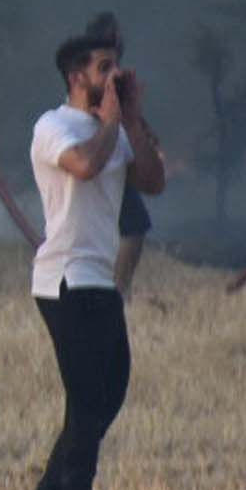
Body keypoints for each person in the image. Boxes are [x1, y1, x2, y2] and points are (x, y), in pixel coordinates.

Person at [26, 33, 167, 490]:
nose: (115, 76)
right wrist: (111, 122)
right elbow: (84, 167)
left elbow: (153, 180)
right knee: (86, 396)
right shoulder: (53, 125)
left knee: (109, 393)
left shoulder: (117, 129)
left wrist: (129, 118)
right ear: (76, 77)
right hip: (64, 277)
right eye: (104, 67)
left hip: (101, 277)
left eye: (117, 67)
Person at [80, 15, 155, 294]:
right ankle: (118, 292)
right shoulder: (93, 69)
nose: (120, 40)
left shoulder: (111, 69)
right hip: (102, 153)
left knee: (131, 225)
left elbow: (127, 111)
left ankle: (116, 291)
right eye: (115, 34)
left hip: (112, 153)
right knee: (133, 224)